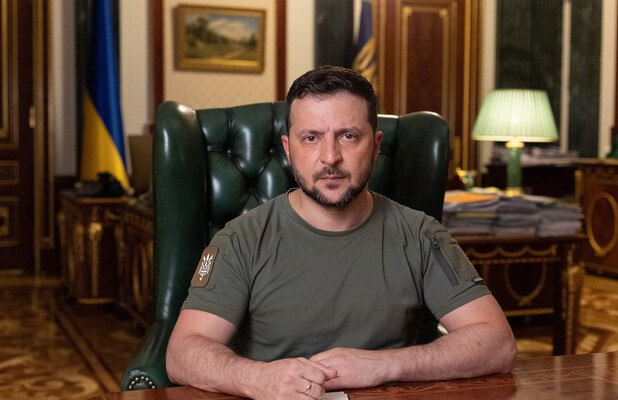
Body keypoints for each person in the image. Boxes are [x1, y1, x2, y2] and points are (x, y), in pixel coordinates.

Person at [165, 65, 517, 399]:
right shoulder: (240, 240)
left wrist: (384, 364)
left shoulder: (422, 235)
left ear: (376, 146)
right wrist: (259, 378)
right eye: (311, 138)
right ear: (289, 150)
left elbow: (497, 343)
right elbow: (182, 353)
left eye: (348, 136)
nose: (330, 157)